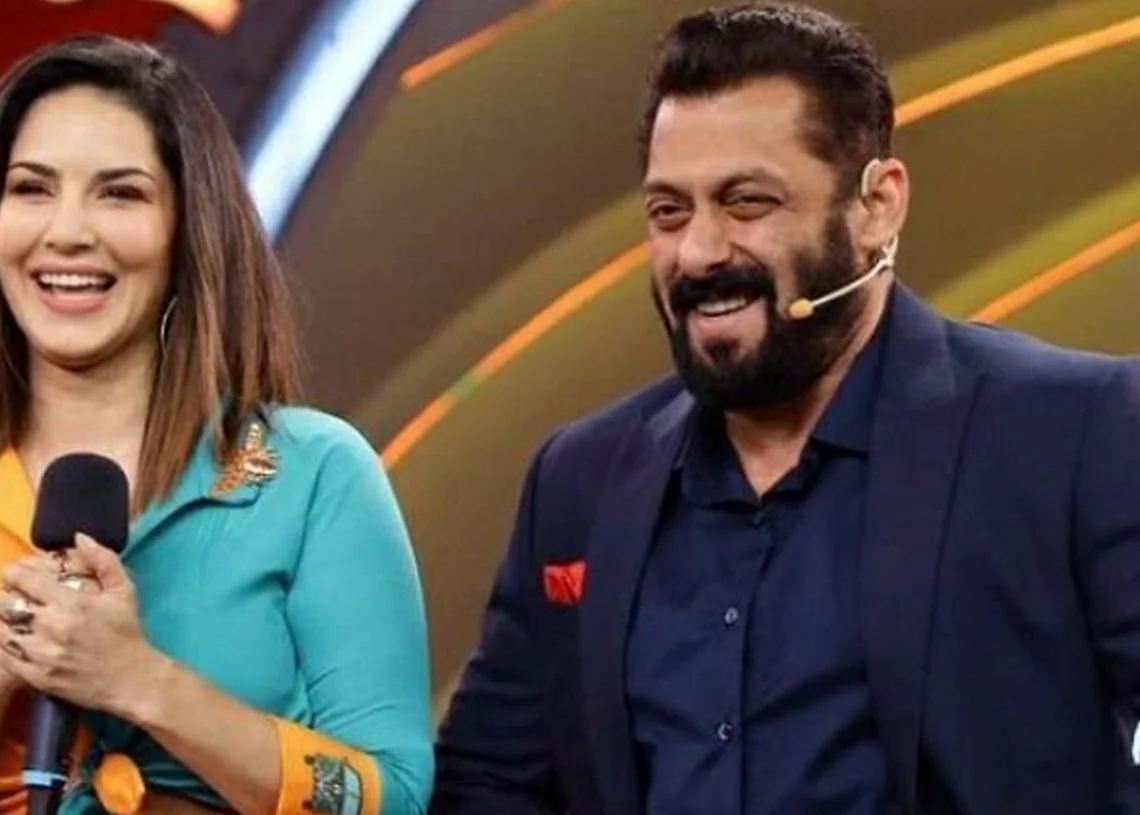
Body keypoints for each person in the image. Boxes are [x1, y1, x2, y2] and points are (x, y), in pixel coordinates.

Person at [431, 4, 1140, 814]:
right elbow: (488, 782)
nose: (700, 252)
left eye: (747, 203)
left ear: (876, 205)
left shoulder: (1072, 432)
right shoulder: (579, 481)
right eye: (669, 212)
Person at [0, 35, 433, 815]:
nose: (66, 231)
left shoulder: (313, 474)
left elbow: (389, 798)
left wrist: (140, 680)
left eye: (119, 193)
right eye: (31, 188)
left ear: (188, 230)